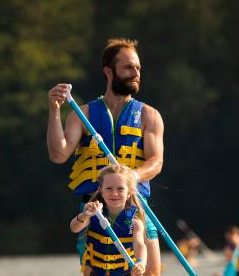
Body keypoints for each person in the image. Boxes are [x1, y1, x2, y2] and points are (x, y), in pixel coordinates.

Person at [48, 38, 164, 276]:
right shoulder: (83, 114)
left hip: (135, 207)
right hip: (95, 209)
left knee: (150, 272)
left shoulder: (149, 115)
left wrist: (134, 175)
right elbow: (59, 154)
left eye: (138, 68)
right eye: (129, 68)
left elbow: (156, 162)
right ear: (108, 71)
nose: (136, 73)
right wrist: (54, 109)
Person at [71, 164, 147, 276]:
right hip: (96, 272)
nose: (114, 193)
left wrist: (141, 262)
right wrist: (85, 215)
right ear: (101, 191)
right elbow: (74, 228)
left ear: (129, 192)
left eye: (120, 188)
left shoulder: (134, 221)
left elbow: (139, 244)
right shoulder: (93, 213)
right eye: (109, 188)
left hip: (124, 273)